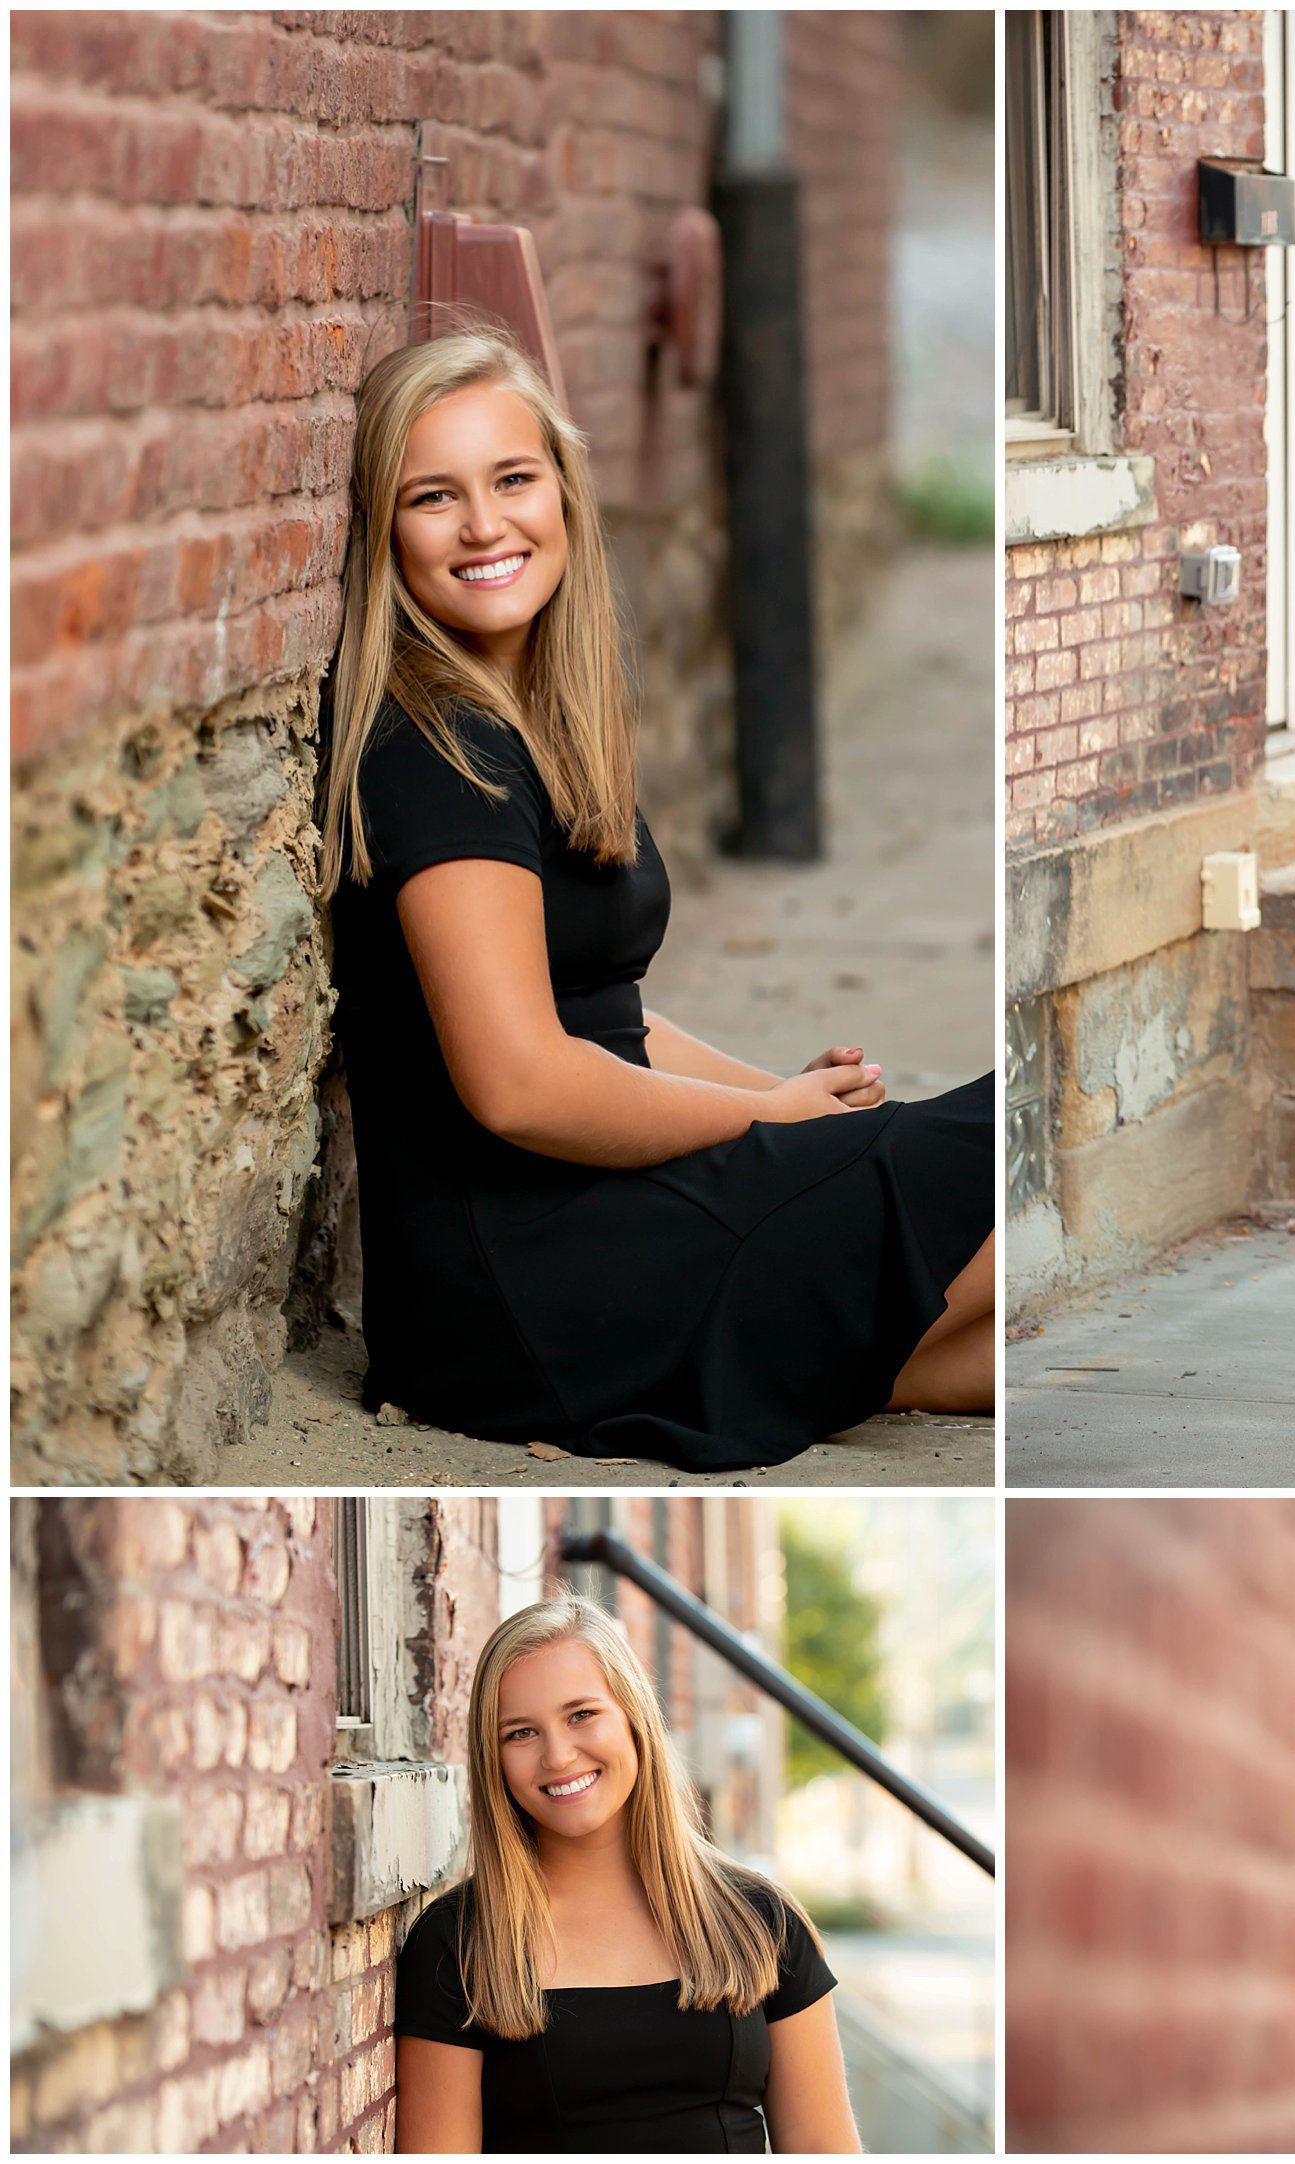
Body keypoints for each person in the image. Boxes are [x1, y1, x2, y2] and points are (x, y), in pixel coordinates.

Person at [317, 328, 994, 1469]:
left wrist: (782, 1097)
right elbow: (521, 1082)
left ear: (564, 494)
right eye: (434, 496)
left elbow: (604, 1020)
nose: (484, 526)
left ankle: (796, 1354)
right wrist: (770, 1124)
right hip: (532, 1279)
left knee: (953, 1279)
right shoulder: (433, 753)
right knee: (995, 1140)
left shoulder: (534, 721)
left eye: (512, 479)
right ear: (385, 530)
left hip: (586, 1225)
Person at [395, 1594, 861, 2154]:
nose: (558, 1756)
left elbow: (823, 2146)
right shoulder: (458, 1943)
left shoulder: (759, 1919)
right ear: (493, 1758)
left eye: (581, 1715)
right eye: (520, 1732)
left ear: (634, 1718)